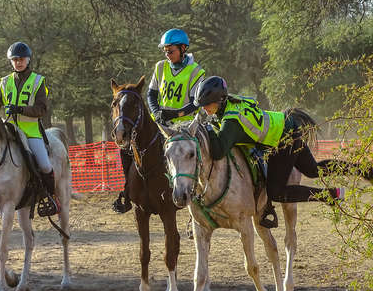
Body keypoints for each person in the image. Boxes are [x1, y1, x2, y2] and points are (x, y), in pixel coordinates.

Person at [193, 76, 373, 223]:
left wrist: (207, 131)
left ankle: (330, 195)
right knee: (313, 170)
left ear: (220, 100)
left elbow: (218, 152)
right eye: (202, 105)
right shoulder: (230, 104)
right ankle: (363, 170)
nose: (204, 109)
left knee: (276, 192)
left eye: (207, 104)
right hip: (287, 126)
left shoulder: (231, 121)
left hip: (282, 139)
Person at [112, 28, 206, 213]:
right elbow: (151, 94)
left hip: (187, 126)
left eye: (171, 51)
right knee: (130, 148)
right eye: (165, 51)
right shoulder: (160, 67)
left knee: (201, 152)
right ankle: (127, 191)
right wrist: (156, 113)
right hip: (162, 123)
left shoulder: (196, 71)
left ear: (183, 48)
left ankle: (200, 198)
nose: (168, 54)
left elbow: (197, 102)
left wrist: (174, 114)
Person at [0, 41, 60, 216]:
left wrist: (20, 109)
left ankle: (49, 197)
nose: (18, 62)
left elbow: (41, 109)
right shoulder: (4, 82)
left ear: (28, 60)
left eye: (21, 59)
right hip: (8, 131)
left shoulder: (38, 81)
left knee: (45, 166)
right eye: (14, 59)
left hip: (31, 133)